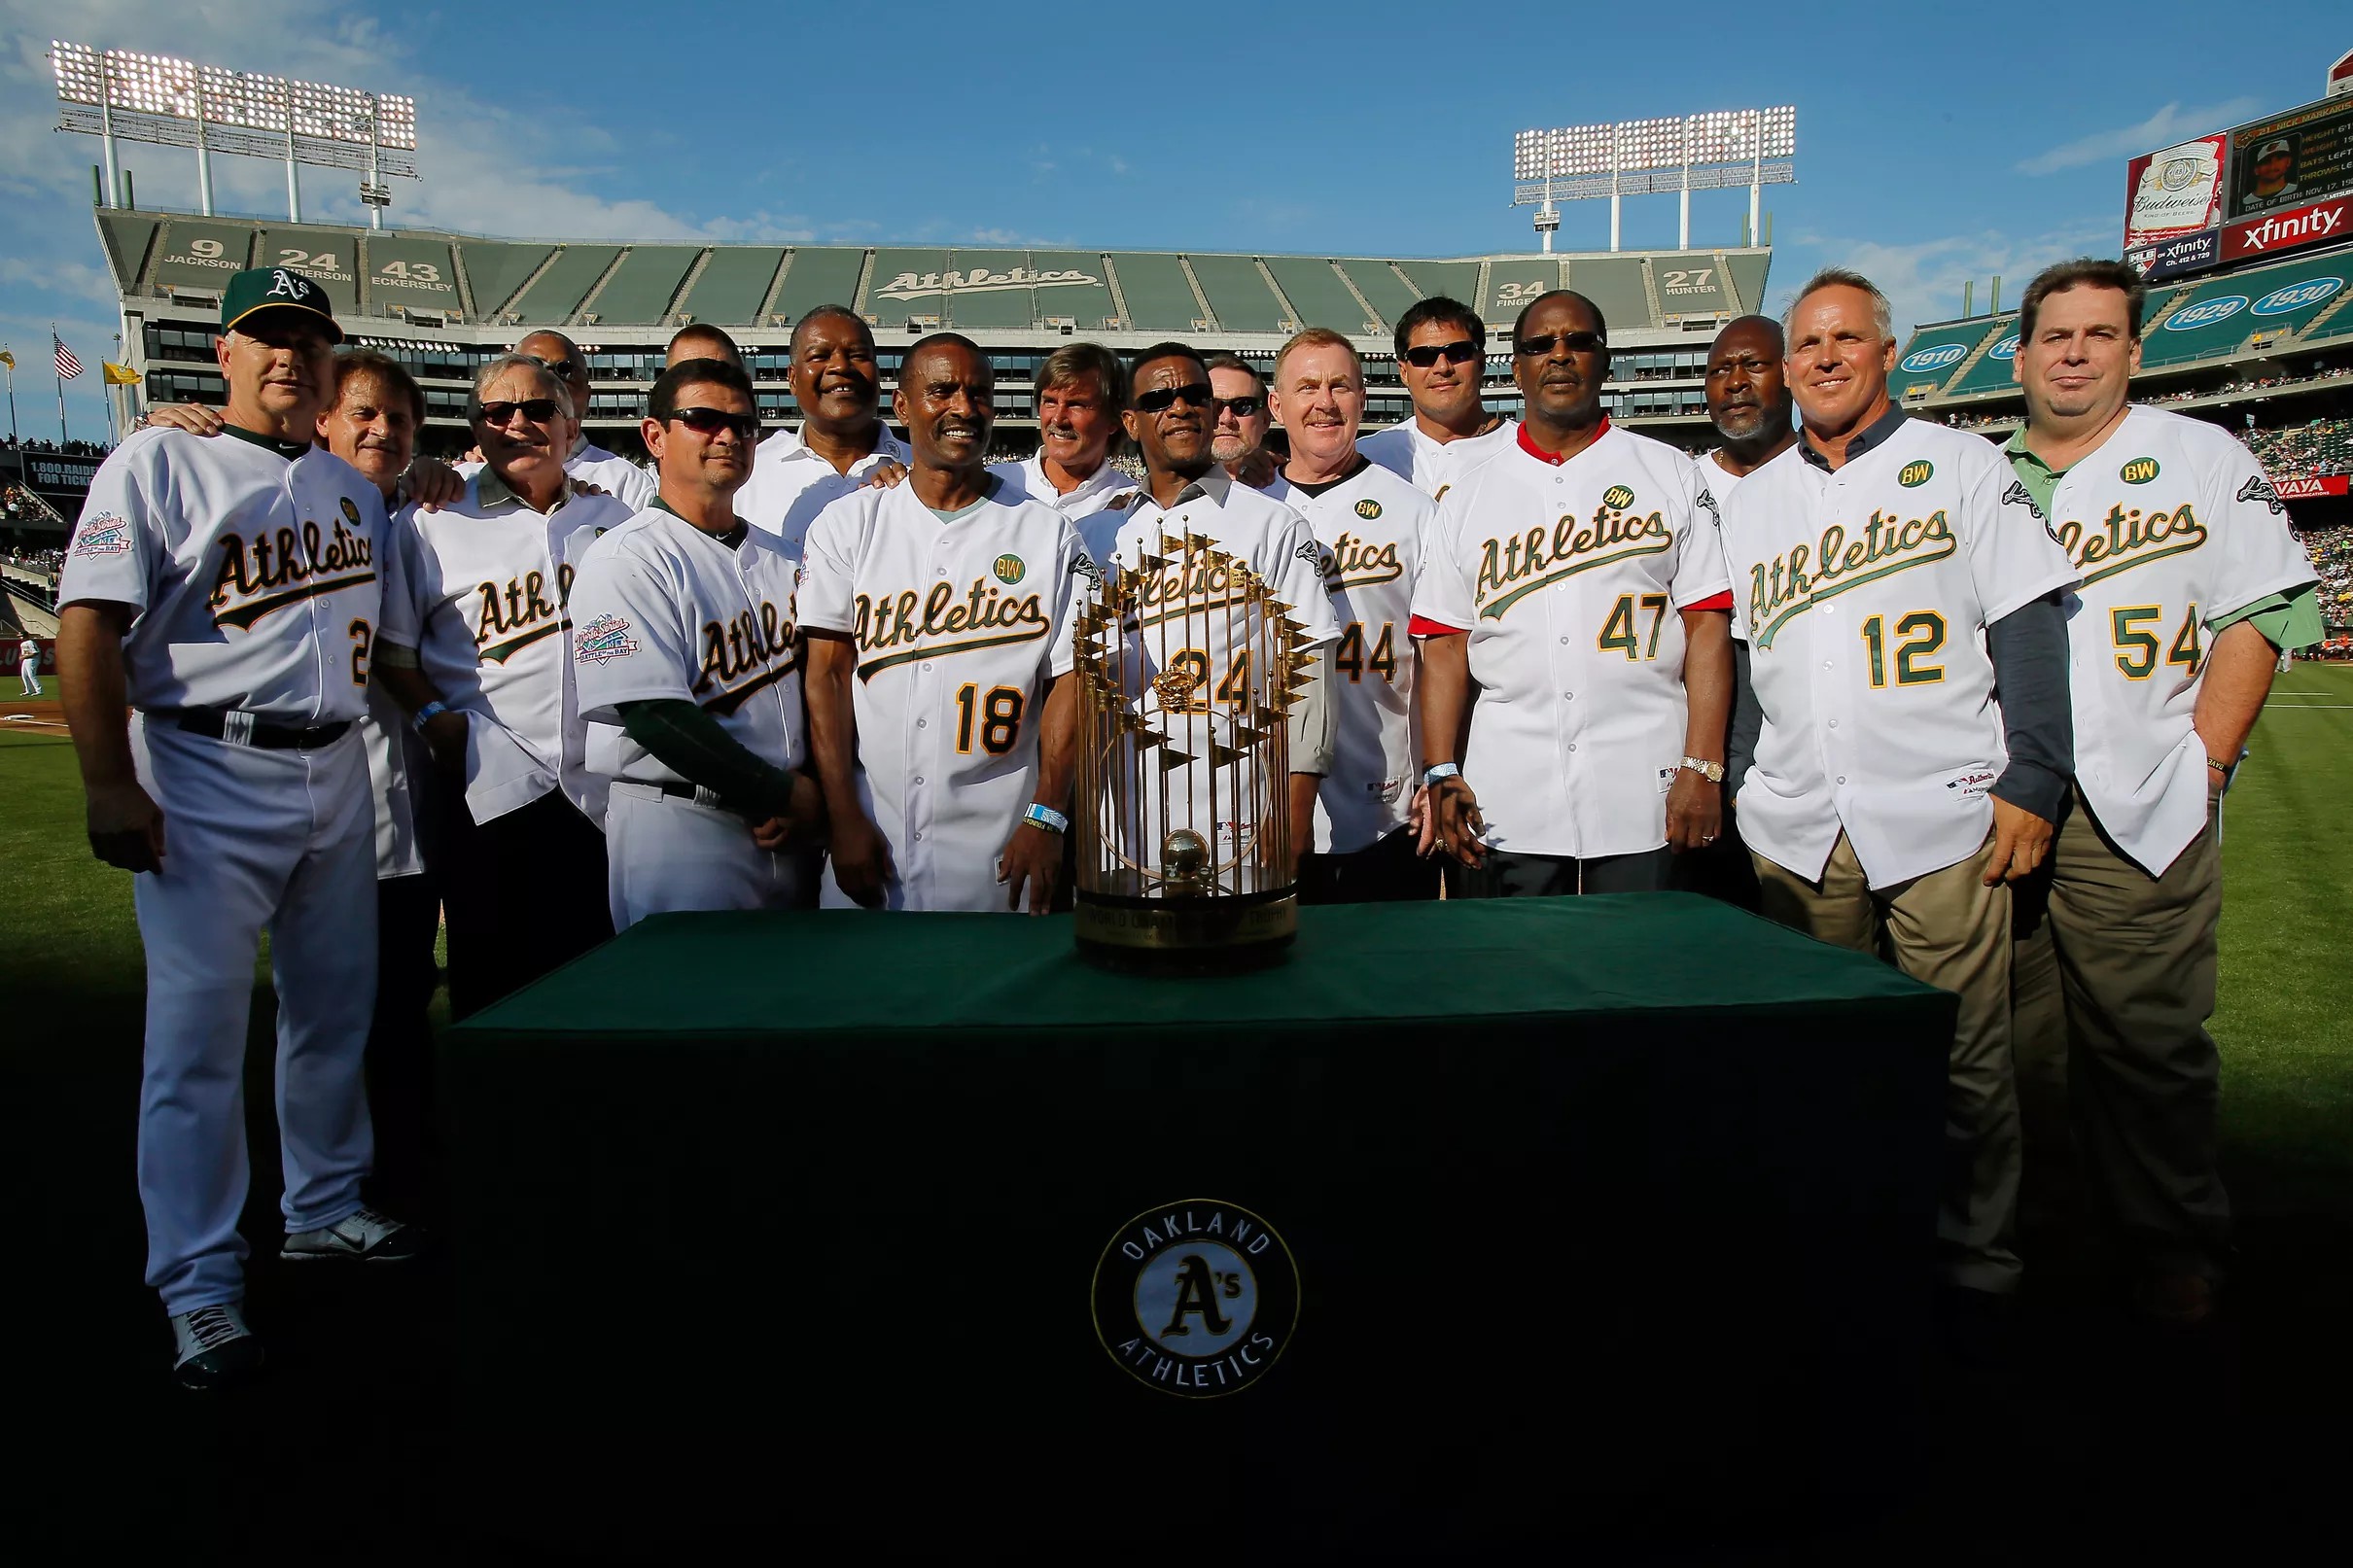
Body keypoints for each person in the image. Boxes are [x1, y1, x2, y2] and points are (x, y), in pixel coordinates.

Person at [56, 266, 420, 1392]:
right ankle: (200, 1283)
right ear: (223, 353)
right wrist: (109, 782)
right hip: (204, 761)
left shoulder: (351, 488)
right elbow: (87, 621)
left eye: (308, 340)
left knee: (331, 1011)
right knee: (198, 1039)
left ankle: (319, 1204)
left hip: (334, 763)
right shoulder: (155, 458)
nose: (289, 357)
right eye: (267, 336)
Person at [1716, 266, 2079, 1305]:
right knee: (1821, 1062)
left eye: (1845, 340)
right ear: (1788, 369)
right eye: (1807, 346)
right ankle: (1845, 1247)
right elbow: (1746, 663)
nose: (1824, 358)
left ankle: (1977, 1261)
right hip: (1796, 820)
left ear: (1885, 352)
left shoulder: (1960, 464)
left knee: (1963, 1058)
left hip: (1943, 808)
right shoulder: (1755, 499)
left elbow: (2026, 624)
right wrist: (1744, 781)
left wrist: (2034, 775)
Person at [2002, 258, 2321, 1326]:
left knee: (2145, 1043)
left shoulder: (2197, 453)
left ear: (2134, 352)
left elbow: (2263, 610)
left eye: (2099, 334)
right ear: (2021, 353)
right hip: (1999, 801)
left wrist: (2207, 762)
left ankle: (2172, 1243)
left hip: (2137, 792)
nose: (2076, 352)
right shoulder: (1972, 468)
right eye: (2056, 334)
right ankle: (2046, 1236)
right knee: (2014, 1046)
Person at [1412, 290, 1734, 897]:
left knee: (1644, 981)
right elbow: (1446, 647)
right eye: (1540, 345)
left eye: (1578, 341)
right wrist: (1440, 771)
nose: (1559, 356)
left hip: (1647, 788)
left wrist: (1703, 767)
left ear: (1606, 361)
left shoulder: (1668, 471)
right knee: (1515, 984)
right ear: (1516, 367)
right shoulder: (1469, 494)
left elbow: (1707, 629)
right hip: (1505, 798)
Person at [372, 355, 632, 1019]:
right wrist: (437, 720)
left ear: (571, 425)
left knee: (599, 985)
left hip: (603, 792)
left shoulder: (618, 518)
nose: (519, 423)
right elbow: (393, 652)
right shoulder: (433, 517)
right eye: (498, 412)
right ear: (477, 428)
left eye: (538, 409)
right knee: (493, 989)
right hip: (489, 789)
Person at [800, 334, 1090, 913]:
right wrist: (842, 817)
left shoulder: (1048, 533)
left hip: (1002, 848)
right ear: (903, 407)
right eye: (942, 391)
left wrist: (1049, 817)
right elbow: (826, 679)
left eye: (978, 393)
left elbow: (1072, 683)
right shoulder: (848, 524)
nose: (963, 407)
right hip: (873, 836)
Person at [568, 359, 822, 926]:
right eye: (703, 419)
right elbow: (654, 715)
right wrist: (778, 791)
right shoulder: (624, 557)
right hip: (680, 823)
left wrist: (804, 793)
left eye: (744, 424)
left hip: (788, 828)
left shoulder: (784, 556)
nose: (729, 435)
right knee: (688, 1008)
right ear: (654, 436)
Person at [1102, 343, 1340, 886]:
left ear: (1212, 411)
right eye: (1160, 398)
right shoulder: (1098, 532)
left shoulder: (1273, 524)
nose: (1180, 407)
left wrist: (1298, 809)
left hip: (1239, 798)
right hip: (1124, 806)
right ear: (1130, 422)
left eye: (1195, 395)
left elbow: (1310, 669)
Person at [1260, 328, 1440, 903]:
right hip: (1260, 807)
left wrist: (1439, 770)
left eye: (1341, 385)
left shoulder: (1415, 512)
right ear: (1276, 404)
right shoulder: (1248, 514)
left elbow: (1441, 656)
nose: (1325, 402)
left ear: (1363, 397)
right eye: (1307, 386)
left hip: (1387, 805)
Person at [1693, 314, 1801, 913]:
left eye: (1752, 365)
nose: (1734, 382)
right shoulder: (1683, 482)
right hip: (1704, 735)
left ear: (1787, 374)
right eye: (1719, 370)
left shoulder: (1830, 479)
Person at [737, 306, 911, 555]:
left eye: (858, 355)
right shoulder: (750, 473)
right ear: (793, 379)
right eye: (820, 356)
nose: (840, 366)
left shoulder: (921, 471)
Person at [986, 341, 1139, 561]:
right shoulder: (993, 483)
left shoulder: (1133, 506)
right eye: (1049, 402)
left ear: (1114, 420)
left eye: (1076, 404)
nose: (1058, 419)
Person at [1360, 296, 1517, 503]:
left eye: (1458, 353)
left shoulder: (1522, 449)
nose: (1442, 368)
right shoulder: (1367, 457)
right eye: (1423, 357)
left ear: (1480, 363)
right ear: (1404, 372)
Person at [510, 330, 657, 509]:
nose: (550, 379)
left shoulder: (628, 482)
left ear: (587, 396)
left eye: (565, 370)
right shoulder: (476, 477)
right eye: (534, 365)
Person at [1207, 353, 1282, 490]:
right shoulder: (1168, 490)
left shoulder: (1289, 490)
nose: (1227, 419)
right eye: (1214, 406)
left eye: (1243, 406)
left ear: (1265, 419)